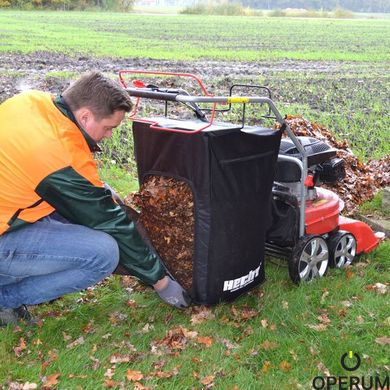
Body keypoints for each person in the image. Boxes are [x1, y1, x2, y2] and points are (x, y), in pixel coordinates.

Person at [0, 71, 190, 326]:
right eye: (108, 127)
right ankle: (6, 298)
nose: (110, 135)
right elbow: (111, 223)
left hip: (11, 207)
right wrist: (161, 282)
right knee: (103, 254)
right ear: (85, 116)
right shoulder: (54, 155)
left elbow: (66, 175)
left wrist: (101, 191)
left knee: (101, 192)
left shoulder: (32, 101)